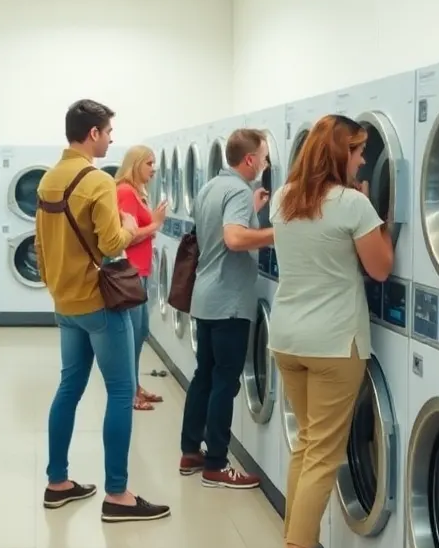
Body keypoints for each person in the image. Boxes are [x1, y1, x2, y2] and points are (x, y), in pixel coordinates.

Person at [267, 114, 393, 548]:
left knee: (306, 448)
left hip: (287, 339)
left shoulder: (284, 197)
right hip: (333, 343)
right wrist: (379, 217)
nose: (363, 160)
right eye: (358, 151)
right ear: (340, 153)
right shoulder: (352, 204)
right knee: (323, 455)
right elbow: (380, 267)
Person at [35, 99, 170, 524]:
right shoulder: (95, 181)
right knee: (119, 391)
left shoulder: (49, 179)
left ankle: (58, 482)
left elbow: (40, 244)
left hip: (64, 302)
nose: (112, 138)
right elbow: (113, 245)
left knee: (68, 388)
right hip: (99, 301)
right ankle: (118, 494)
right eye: (109, 131)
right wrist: (131, 227)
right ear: (92, 133)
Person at [179, 128, 275, 490]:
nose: (266, 163)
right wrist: (277, 232)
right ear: (249, 160)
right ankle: (217, 464)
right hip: (231, 303)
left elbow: (219, 232)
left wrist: (253, 213)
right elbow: (234, 239)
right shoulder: (239, 189)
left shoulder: (211, 187)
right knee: (224, 382)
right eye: (264, 157)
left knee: (204, 375)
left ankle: (191, 450)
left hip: (205, 297)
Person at [113, 146, 168, 410]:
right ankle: (130, 393)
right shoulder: (124, 191)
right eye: (149, 163)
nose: (153, 168)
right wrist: (155, 225)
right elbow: (128, 234)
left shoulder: (136, 192)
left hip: (141, 271)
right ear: (135, 165)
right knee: (132, 336)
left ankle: (135, 386)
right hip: (131, 273)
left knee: (141, 331)